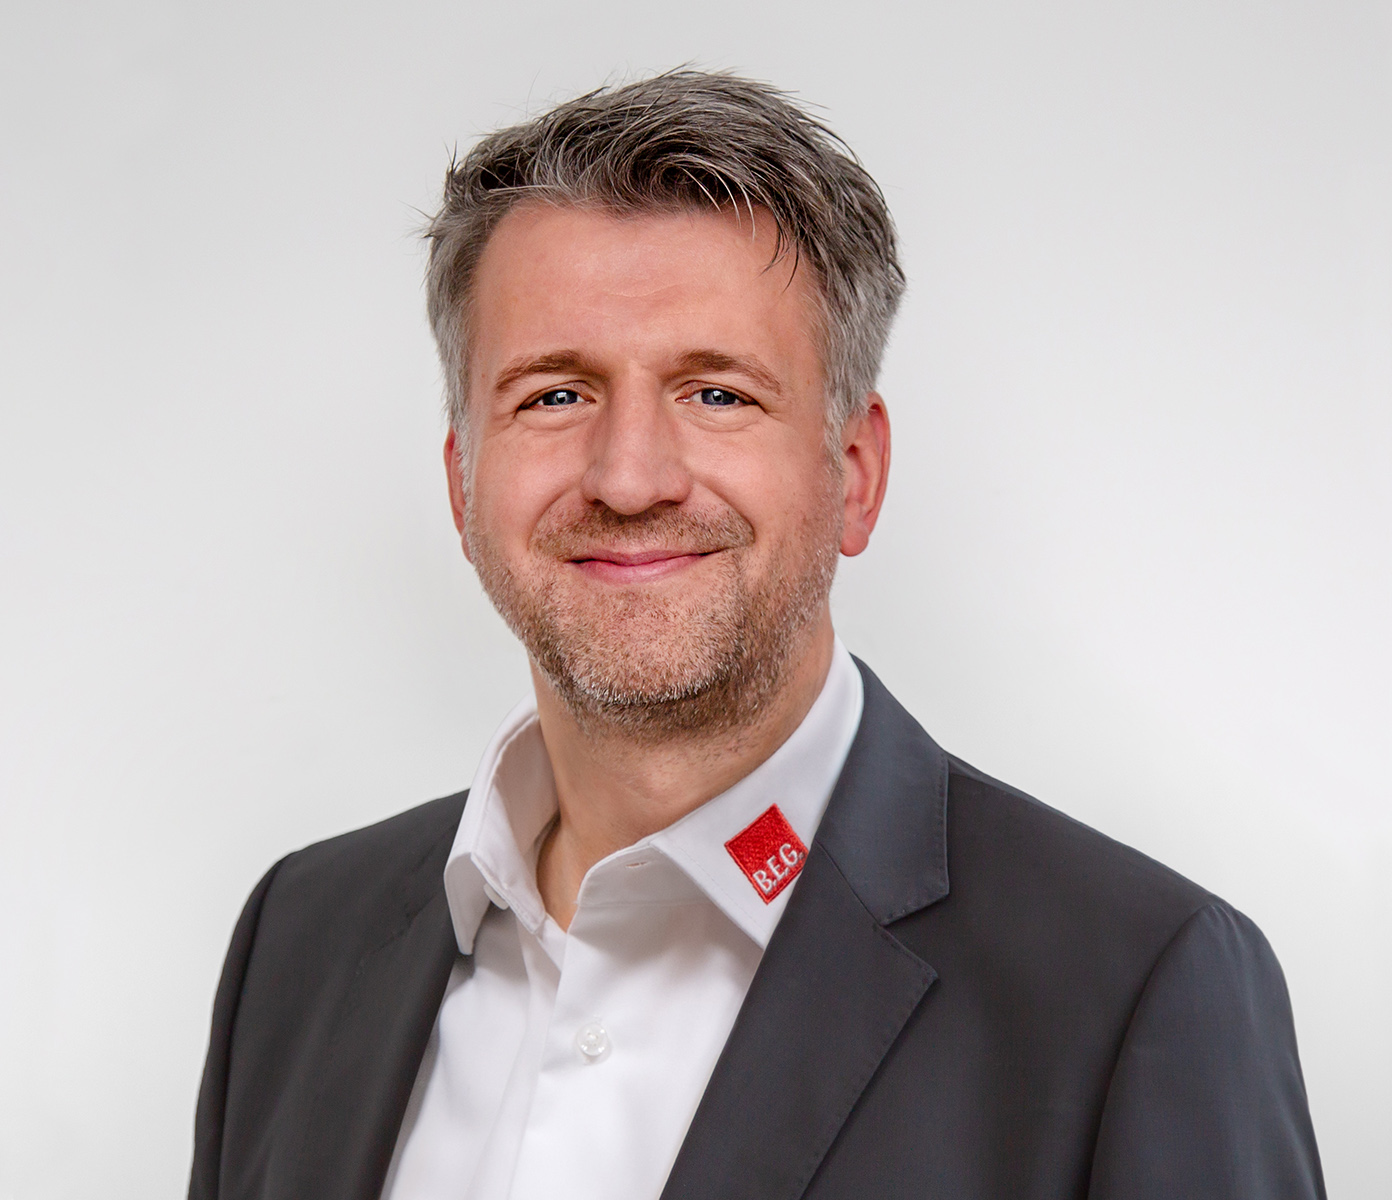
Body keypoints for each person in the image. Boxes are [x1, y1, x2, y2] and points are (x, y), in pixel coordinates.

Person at [187, 71, 1325, 1200]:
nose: (629, 477)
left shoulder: (1131, 991)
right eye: (554, 395)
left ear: (854, 473)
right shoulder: (301, 940)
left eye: (717, 394)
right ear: (461, 482)